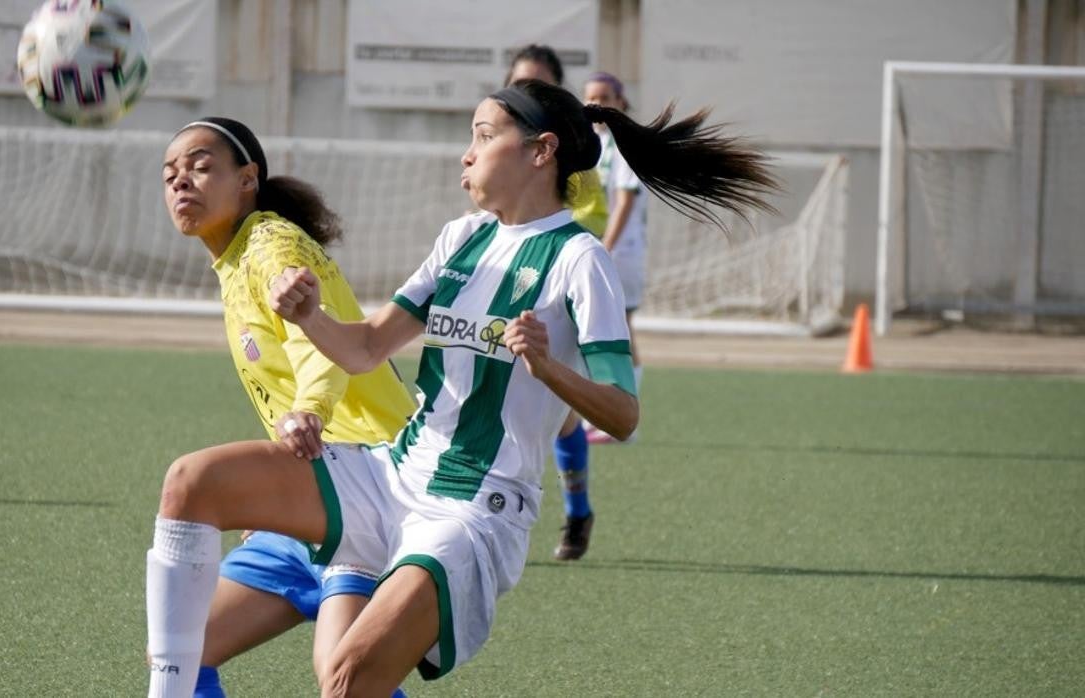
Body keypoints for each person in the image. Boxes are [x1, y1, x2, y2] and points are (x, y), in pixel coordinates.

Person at [145, 80, 775, 697]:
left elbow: (625, 414)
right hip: (392, 474)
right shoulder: (462, 238)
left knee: (345, 680)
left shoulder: (581, 260)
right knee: (190, 484)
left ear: (540, 150)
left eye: (483, 135)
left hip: (475, 509)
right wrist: (311, 315)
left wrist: (549, 368)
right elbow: (366, 348)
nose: (466, 154)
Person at [157, 117, 417, 698]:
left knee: (344, 680)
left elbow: (315, 346)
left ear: (247, 179)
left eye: (201, 167)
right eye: (170, 174)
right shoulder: (234, 260)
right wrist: (278, 495)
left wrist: (311, 411)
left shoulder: (272, 243)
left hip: (371, 489)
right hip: (313, 493)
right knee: (178, 651)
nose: (181, 182)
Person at [505, 44, 603, 559]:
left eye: (538, 87)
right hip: (505, 287)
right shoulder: (497, 147)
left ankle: (575, 511)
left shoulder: (575, 164)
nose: (526, 96)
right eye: (519, 85)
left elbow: (587, 223)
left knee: (561, 415)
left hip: (551, 292)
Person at [582, 71, 647, 444]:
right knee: (601, 327)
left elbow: (625, 199)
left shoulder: (623, 143)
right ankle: (605, 414)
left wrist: (605, 246)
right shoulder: (596, 142)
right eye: (590, 97)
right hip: (604, 249)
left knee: (619, 327)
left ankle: (625, 417)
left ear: (621, 102)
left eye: (604, 96)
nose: (596, 104)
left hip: (621, 252)